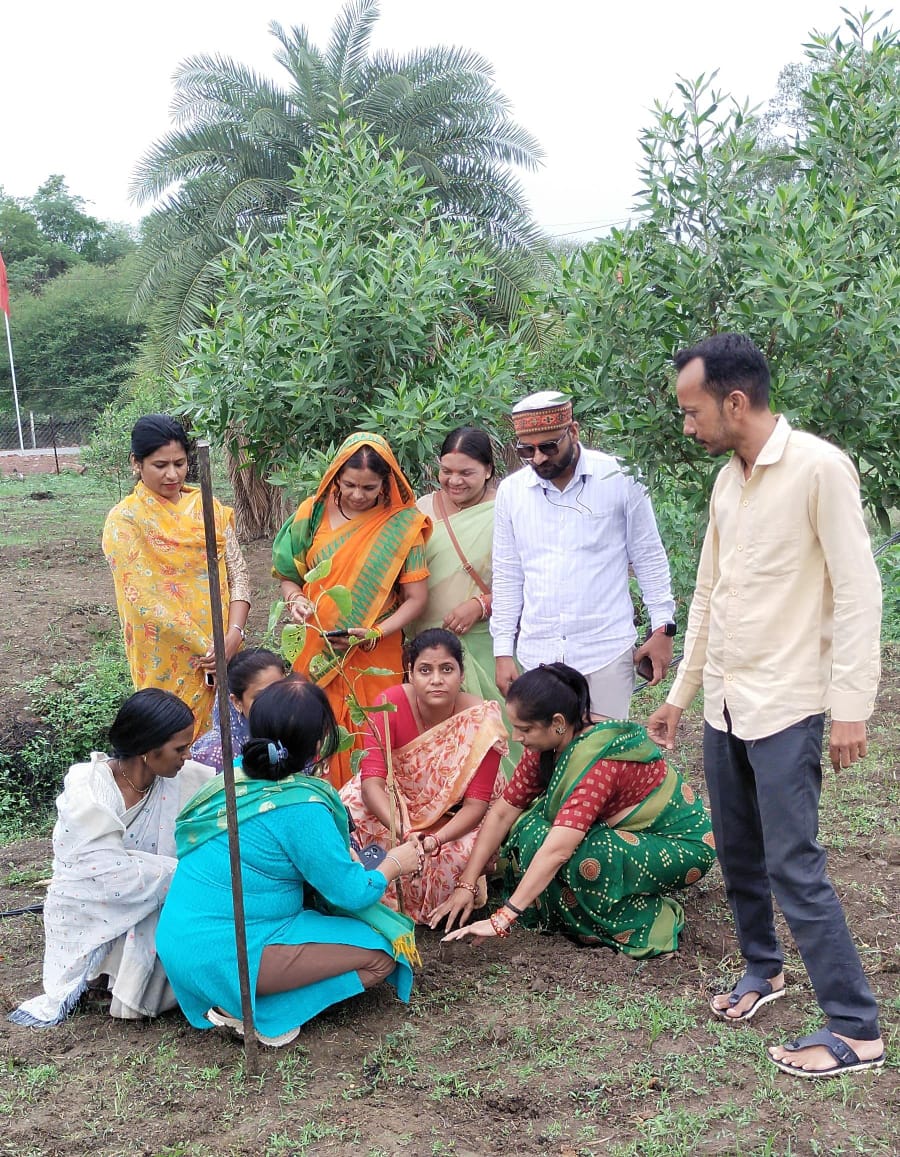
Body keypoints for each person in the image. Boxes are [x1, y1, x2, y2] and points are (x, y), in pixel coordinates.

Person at [647, 333, 884, 1078]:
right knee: (740, 848)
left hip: (790, 701)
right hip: (726, 698)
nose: (689, 426)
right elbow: (710, 591)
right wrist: (683, 694)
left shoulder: (819, 468)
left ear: (736, 401)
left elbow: (858, 590)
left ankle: (857, 1026)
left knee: (794, 862)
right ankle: (764, 970)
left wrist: (851, 706)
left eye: (693, 412)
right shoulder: (728, 480)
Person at [156, 679, 422, 1047]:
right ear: (318, 742)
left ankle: (243, 996)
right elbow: (352, 893)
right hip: (230, 953)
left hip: (180, 942)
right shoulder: (299, 805)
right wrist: (395, 862)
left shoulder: (231, 779)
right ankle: (252, 1012)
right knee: (382, 954)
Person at [432, 663, 715, 957]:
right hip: (622, 837)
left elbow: (559, 850)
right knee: (531, 829)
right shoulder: (546, 745)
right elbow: (503, 812)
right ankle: (573, 913)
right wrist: (466, 883)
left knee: (589, 855)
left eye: (525, 728)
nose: (516, 737)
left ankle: (650, 920)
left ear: (557, 722)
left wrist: (502, 918)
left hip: (681, 846)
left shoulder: (601, 760)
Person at [9, 690, 212, 1027]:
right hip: (90, 908)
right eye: (180, 748)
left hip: (153, 895)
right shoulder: (88, 791)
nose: (187, 756)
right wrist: (182, 873)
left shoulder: (184, 779)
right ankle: (111, 978)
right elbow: (105, 874)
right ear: (149, 750)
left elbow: (223, 795)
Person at [491, 391, 676, 720]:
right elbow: (508, 574)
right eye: (526, 450)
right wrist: (503, 650)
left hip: (606, 650)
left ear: (572, 432)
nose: (537, 458)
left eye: (548, 447)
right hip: (540, 657)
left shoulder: (619, 477)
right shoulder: (512, 492)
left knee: (604, 758)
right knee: (554, 760)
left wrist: (663, 628)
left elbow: (648, 555)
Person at [272, 432, 430, 787]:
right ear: (335, 478)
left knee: (373, 737)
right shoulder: (309, 515)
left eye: (369, 488)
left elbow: (417, 600)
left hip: (375, 653)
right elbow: (288, 576)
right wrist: (295, 599)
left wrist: (373, 634)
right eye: (349, 485)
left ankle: (373, 820)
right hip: (316, 648)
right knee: (315, 733)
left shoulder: (403, 526)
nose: (358, 495)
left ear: (385, 484)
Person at [340, 629, 508, 923]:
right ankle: (361, 887)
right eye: (425, 670)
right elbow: (372, 784)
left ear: (461, 673)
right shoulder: (388, 703)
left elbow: (476, 806)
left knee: (453, 861)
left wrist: (434, 840)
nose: (436, 679)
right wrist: (404, 831)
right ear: (410, 673)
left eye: (447, 669)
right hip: (397, 811)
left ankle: (474, 879)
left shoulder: (482, 722)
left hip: (456, 821)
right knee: (348, 806)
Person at [102, 415, 251, 736]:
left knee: (223, 745)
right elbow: (141, 598)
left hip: (225, 653)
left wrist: (233, 636)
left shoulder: (207, 506)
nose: (172, 474)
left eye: (180, 463)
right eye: (160, 465)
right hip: (167, 657)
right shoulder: (125, 520)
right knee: (169, 742)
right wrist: (210, 648)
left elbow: (237, 575)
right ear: (136, 463)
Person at [412, 427, 520, 774]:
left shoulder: (510, 508)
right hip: (425, 647)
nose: (454, 481)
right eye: (447, 471)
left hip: (485, 646)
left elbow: (531, 580)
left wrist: (481, 605)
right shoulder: (422, 510)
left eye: (466, 473)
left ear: (489, 469)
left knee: (496, 738)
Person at [191, 648, 286, 772]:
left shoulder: (295, 734)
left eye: (282, 692)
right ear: (237, 702)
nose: (275, 702)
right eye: (261, 697)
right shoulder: (217, 754)